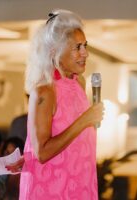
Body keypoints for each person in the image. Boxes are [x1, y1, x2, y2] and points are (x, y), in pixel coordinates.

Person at [18, 9, 104, 199]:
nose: (85, 53)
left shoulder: (79, 84)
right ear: (55, 52)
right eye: (77, 47)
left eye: (85, 46)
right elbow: (42, 152)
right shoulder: (45, 91)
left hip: (80, 185)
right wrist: (84, 120)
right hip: (50, 191)